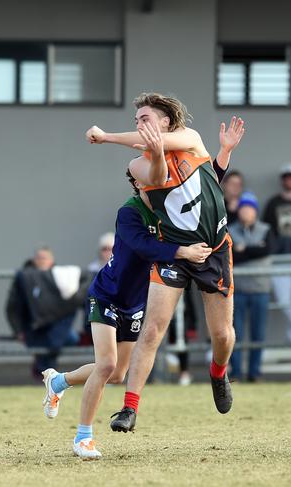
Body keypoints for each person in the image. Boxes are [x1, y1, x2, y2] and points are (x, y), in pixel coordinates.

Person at [86, 98, 245, 431]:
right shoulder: (137, 166)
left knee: (223, 335)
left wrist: (106, 135)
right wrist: (153, 152)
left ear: (166, 121)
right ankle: (129, 409)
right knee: (153, 330)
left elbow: (210, 177)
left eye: (145, 118)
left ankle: (218, 372)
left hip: (213, 250)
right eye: (136, 119)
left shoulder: (190, 138)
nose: (139, 123)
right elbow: (157, 175)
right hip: (175, 252)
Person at [41, 160, 212, 459]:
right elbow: (143, 246)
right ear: (138, 183)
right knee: (106, 365)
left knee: (118, 373)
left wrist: (221, 158)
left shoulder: (168, 210)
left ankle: (58, 381)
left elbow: (201, 194)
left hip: (134, 303)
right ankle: (83, 438)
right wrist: (182, 250)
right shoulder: (129, 211)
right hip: (107, 294)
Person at [5, 246, 85, 380]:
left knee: (71, 338)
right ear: (33, 260)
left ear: (52, 261)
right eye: (39, 258)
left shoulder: (61, 279)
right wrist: (18, 330)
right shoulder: (25, 279)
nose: (42, 261)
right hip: (35, 328)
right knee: (45, 345)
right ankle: (46, 375)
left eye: (45, 258)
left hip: (58, 328)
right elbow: (12, 307)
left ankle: (48, 374)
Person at [228, 191, 274, 382]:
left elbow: (268, 249)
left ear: (255, 211)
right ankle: (236, 372)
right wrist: (254, 250)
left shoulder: (266, 229)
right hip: (237, 290)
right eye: (243, 208)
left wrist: (244, 249)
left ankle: (254, 372)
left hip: (260, 289)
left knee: (258, 333)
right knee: (234, 333)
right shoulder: (230, 229)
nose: (246, 212)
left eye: (250, 208)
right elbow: (231, 255)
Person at [262, 164, 291, 343]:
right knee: (285, 303)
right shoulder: (274, 203)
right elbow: (267, 230)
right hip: (280, 261)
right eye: (286, 177)